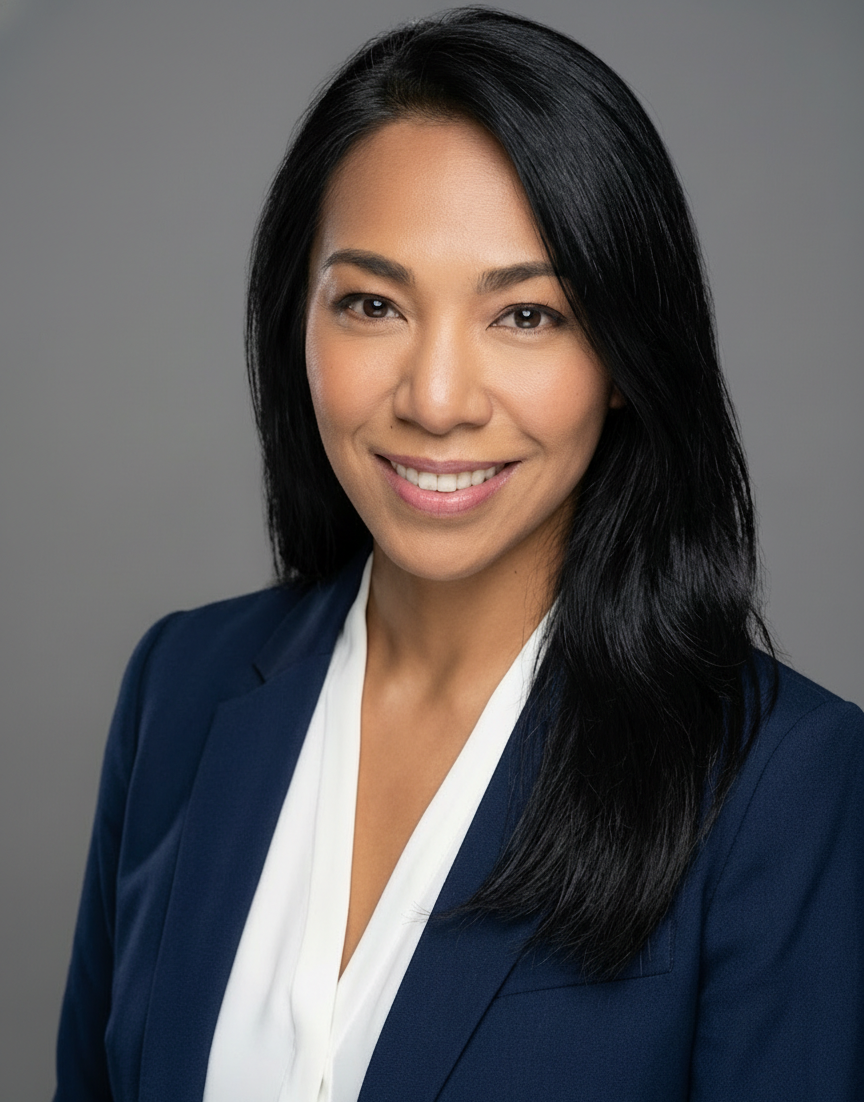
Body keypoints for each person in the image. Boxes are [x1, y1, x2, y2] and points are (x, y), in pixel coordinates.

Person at [54, 8, 863, 1101]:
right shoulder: (179, 687)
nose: (436, 400)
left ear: (625, 355)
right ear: (299, 320)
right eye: (373, 303)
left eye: (525, 315)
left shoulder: (783, 782)